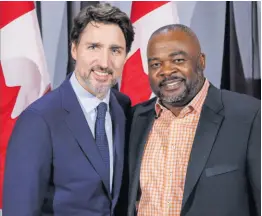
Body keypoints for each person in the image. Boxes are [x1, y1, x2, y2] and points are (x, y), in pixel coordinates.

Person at [3, 3, 134, 216]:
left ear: (126, 56)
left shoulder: (124, 108)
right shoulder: (39, 120)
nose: (104, 62)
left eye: (115, 50)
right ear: (74, 49)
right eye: (94, 47)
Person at [127, 24, 260, 216]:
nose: (166, 71)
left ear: (201, 61)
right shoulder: (134, 119)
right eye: (156, 64)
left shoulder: (249, 115)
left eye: (178, 60)